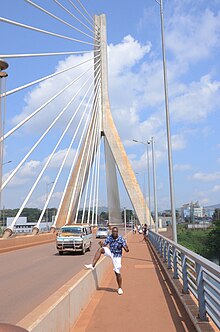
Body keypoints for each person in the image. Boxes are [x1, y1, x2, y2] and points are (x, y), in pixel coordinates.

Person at [85, 226, 129, 295]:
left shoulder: (121, 239)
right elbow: (104, 245)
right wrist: (101, 244)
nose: (114, 233)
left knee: (117, 272)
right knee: (101, 249)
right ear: (112, 232)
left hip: (117, 256)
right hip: (111, 252)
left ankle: (120, 288)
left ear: (117, 232)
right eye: (113, 232)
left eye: (116, 232)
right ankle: (92, 265)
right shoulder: (110, 237)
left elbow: (127, 250)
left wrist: (126, 248)